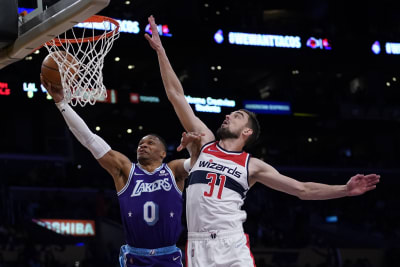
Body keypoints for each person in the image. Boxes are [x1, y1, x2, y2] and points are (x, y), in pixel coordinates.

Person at [145, 15, 381, 267]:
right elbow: (176, 95)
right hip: (197, 245)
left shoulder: (252, 165)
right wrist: (161, 51)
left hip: (231, 244)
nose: (228, 116)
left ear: (247, 132)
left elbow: (302, 190)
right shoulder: (205, 144)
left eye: (236, 116)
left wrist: (344, 190)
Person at [40, 76, 201, 267]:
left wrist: (193, 147)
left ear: (163, 153)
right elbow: (89, 140)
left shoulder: (172, 170)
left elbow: (198, 164)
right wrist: (62, 103)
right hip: (136, 257)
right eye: (141, 143)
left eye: (150, 143)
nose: (143, 145)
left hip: (168, 257)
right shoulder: (125, 170)